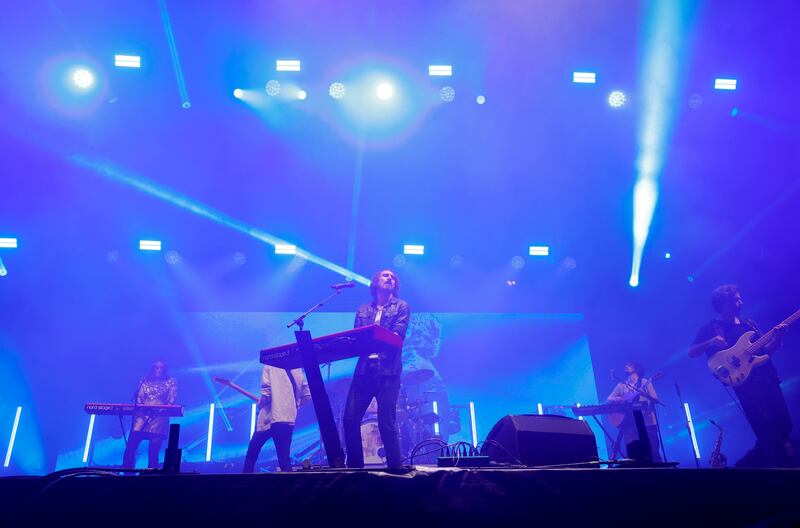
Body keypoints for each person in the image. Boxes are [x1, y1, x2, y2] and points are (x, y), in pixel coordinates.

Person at [689, 284, 793, 467]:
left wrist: (777, 337)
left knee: (784, 424)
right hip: (746, 384)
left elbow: (766, 351)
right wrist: (710, 342)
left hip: (768, 379)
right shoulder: (712, 328)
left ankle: (746, 465)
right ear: (723, 304)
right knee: (765, 429)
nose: (740, 302)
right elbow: (692, 352)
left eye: (739, 298)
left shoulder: (749, 324)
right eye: (736, 299)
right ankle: (782, 473)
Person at [343, 269, 410, 469]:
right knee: (349, 419)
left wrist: (369, 339)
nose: (389, 278)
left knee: (386, 422)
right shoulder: (363, 310)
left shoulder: (402, 306)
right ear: (375, 283)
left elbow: (397, 336)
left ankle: (395, 466)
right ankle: (355, 467)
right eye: (385, 276)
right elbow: (356, 338)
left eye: (393, 277)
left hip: (388, 371)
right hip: (364, 371)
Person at [243, 365, 310, 473]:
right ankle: (288, 488)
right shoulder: (297, 368)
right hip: (287, 418)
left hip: (268, 419)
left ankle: (243, 485)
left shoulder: (269, 366)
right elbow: (307, 396)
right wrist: (292, 406)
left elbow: (266, 394)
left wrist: (261, 404)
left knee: (251, 455)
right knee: (284, 460)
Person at [122, 360, 178, 469]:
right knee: (131, 447)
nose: (159, 370)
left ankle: (151, 475)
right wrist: (142, 407)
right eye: (157, 368)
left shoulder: (171, 381)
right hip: (142, 417)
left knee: (153, 449)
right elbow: (139, 397)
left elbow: (172, 398)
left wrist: (162, 409)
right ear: (153, 369)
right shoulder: (145, 381)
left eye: (162, 368)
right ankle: (126, 472)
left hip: (159, 418)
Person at [607, 361, 662, 462]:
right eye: (625, 364)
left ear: (636, 368)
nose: (626, 366)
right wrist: (621, 399)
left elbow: (655, 398)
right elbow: (609, 399)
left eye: (629, 365)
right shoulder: (622, 385)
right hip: (630, 424)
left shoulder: (645, 382)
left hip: (648, 422)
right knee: (634, 455)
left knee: (653, 453)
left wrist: (647, 403)